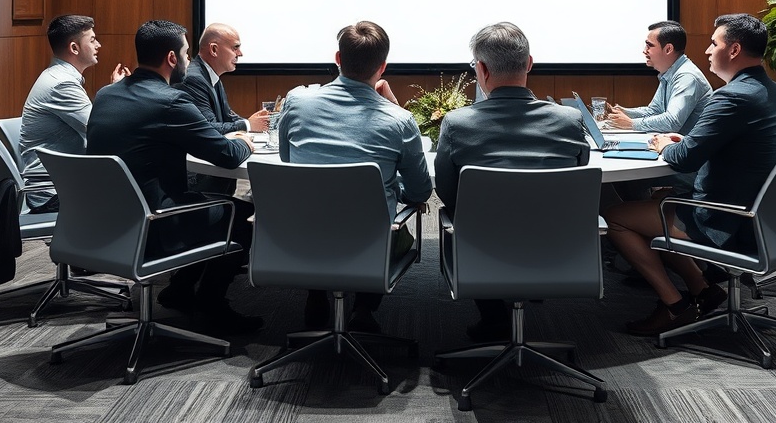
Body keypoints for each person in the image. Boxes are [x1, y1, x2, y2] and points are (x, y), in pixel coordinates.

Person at [605, 13, 776, 337]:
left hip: (729, 219)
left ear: (733, 50)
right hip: (765, 216)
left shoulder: (732, 97)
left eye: (713, 43)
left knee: (616, 217)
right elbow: (728, 145)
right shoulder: (775, 92)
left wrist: (667, 144)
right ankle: (703, 289)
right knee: (662, 199)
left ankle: (674, 305)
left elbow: (683, 160)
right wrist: (686, 141)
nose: (706, 51)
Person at [87, 20, 262, 333]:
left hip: (104, 223)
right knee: (244, 215)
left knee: (219, 205)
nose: (189, 61)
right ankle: (211, 304)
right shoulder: (170, 102)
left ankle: (181, 290)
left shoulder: (105, 95)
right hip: (152, 224)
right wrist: (244, 141)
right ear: (171, 58)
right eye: (185, 54)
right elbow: (226, 154)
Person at [433, 22, 590, 341]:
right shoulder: (570, 121)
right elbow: (578, 181)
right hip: (559, 251)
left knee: (468, 220)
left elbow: (449, 194)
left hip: (482, 255)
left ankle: (493, 318)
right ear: (529, 63)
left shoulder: (457, 123)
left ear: (481, 69)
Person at [278, 20, 433, 333]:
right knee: (389, 224)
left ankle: (316, 293)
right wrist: (394, 189)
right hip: (370, 246)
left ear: (338, 58)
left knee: (317, 210)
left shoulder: (296, 103)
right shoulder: (399, 120)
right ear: (383, 66)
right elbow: (420, 192)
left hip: (299, 240)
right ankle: (362, 310)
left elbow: (287, 161)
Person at [19, 14, 129, 212]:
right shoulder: (62, 84)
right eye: (93, 40)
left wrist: (114, 90)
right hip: (53, 193)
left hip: (63, 183)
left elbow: (96, 122)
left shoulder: (58, 77)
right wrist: (117, 93)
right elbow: (101, 131)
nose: (99, 45)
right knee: (137, 197)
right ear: (74, 48)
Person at [176, 22, 268, 196]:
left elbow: (227, 116)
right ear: (214, 50)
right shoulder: (194, 79)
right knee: (257, 203)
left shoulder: (211, 75)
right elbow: (208, 127)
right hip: (201, 181)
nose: (240, 53)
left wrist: (252, 123)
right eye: (235, 48)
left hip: (215, 173)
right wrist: (248, 125)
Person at [605, 20, 712, 135]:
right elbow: (654, 111)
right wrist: (624, 112)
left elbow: (672, 122)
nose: (644, 51)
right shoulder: (670, 72)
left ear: (668, 49)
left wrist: (632, 124)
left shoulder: (687, 76)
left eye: (649, 45)